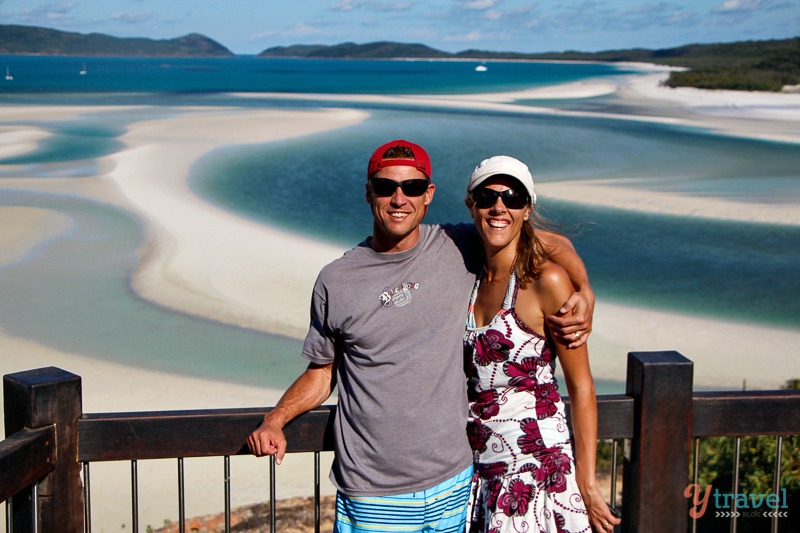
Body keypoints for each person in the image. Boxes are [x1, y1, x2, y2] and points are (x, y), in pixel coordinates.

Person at [247, 140, 594, 533]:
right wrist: (275, 420)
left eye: (412, 188)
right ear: (368, 193)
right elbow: (321, 373)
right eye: (385, 187)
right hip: (374, 493)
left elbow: (543, 240)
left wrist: (583, 290)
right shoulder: (336, 280)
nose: (399, 198)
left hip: (457, 484)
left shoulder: (454, 245)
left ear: (428, 195)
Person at [462, 155, 621, 532]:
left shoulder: (545, 281)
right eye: (487, 196)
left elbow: (581, 387)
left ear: (527, 209)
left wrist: (586, 479)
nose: (499, 206)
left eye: (513, 198)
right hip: (481, 471)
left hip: (536, 472)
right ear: (472, 204)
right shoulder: (468, 272)